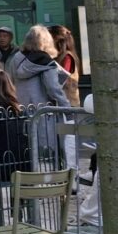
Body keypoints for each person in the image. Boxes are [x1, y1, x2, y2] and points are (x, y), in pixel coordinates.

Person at [9, 25, 72, 157]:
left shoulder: (16, 58)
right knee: (49, 153)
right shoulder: (46, 62)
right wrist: (67, 107)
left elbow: (12, 81)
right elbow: (53, 89)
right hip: (44, 111)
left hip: (23, 108)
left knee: (30, 149)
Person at [49, 25, 82, 106]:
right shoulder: (61, 56)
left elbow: (61, 79)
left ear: (56, 40)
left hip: (69, 103)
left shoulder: (67, 57)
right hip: (64, 102)